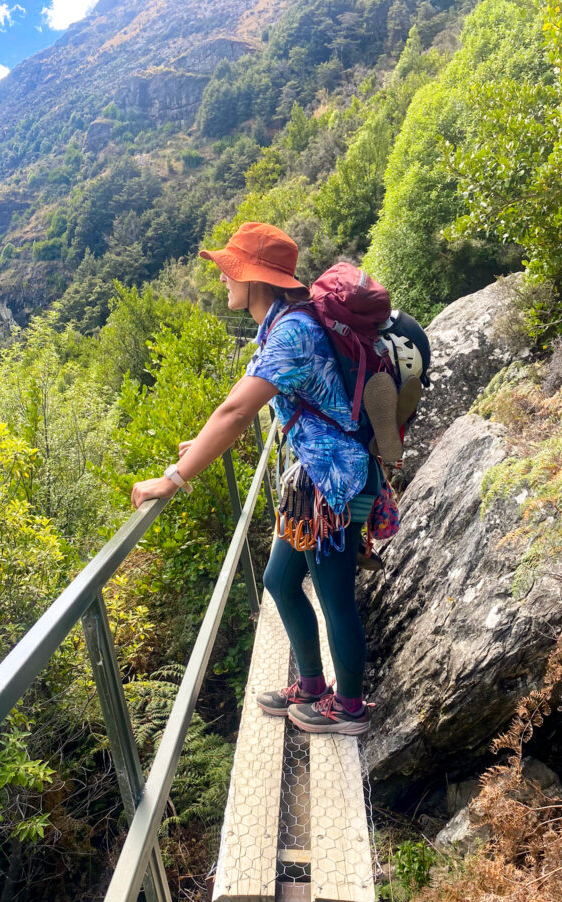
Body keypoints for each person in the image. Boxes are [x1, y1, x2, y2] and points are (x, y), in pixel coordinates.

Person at [131, 222, 380, 735]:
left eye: (229, 270)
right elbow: (247, 404)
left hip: (334, 482)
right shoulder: (278, 323)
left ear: (254, 277)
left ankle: (350, 708)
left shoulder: (292, 332)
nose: (223, 279)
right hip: (313, 479)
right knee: (279, 581)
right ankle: (312, 686)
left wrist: (174, 478)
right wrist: (200, 448)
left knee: (334, 597)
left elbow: (236, 413)